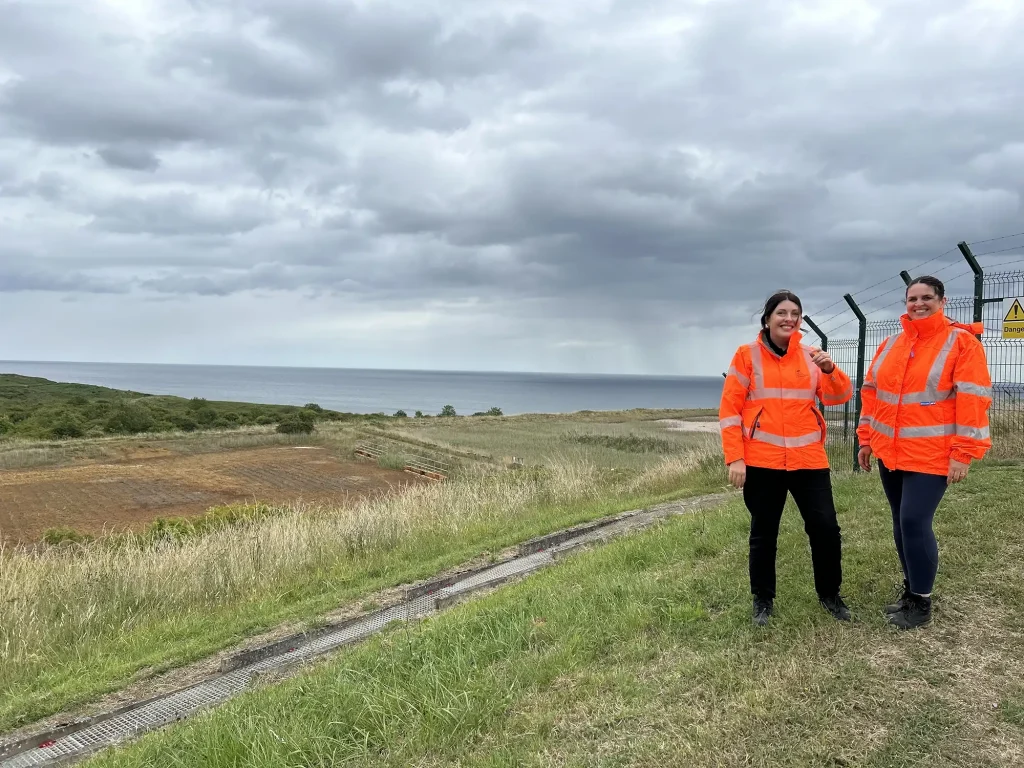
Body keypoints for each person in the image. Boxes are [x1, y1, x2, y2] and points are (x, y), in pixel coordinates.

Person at [857, 276, 992, 630]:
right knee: (901, 522)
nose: (918, 304)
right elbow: (871, 394)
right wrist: (866, 438)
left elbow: (973, 402)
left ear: (942, 301)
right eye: (912, 298)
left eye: (926, 297)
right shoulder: (891, 344)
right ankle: (910, 589)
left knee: (915, 521)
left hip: (932, 455)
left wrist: (963, 453)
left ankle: (921, 602)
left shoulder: (962, 344)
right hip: (891, 451)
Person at [720, 289, 855, 626]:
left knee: (825, 528)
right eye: (782, 312)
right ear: (767, 319)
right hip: (762, 461)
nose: (789, 319)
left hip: (809, 460)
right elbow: (730, 410)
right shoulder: (746, 355)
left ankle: (830, 595)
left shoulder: (812, 356)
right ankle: (763, 600)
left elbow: (840, 396)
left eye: (795, 313)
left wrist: (830, 370)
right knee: (764, 532)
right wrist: (735, 458)